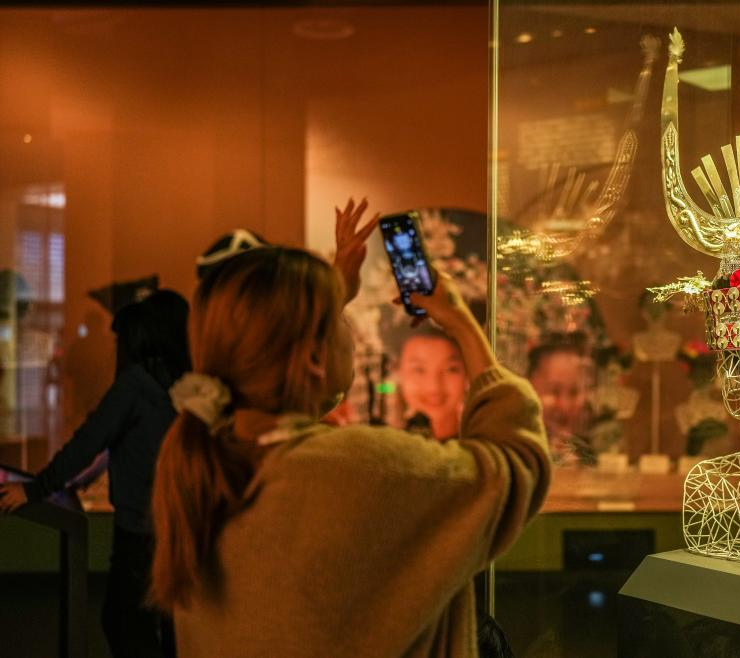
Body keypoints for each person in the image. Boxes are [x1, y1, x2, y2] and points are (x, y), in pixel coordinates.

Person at [148, 200, 550, 657]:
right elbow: (516, 464)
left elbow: (287, 396)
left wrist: (325, 297)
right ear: (313, 357)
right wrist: (460, 321)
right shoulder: (363, 471)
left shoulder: (212, 461)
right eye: (338, 320)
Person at [0, 289, 190, 658]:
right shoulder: (181, 384)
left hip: (139, 528)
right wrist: (97, 469)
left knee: (122, 621)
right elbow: (143, 439)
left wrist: (35, 489)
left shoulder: (136, 383)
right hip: (177, 524)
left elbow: (89, 440)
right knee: (172, 629)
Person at [526, 337, 594, 466]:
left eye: (574, 392)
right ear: (528, 389)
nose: (565, 406)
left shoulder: (589, 455)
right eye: (554, 391)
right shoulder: (517, 455)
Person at [396, 328, 468, 439]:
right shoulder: (388, 444)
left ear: (467, 373)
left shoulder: (483, 443)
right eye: (419, 370)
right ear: (399, 372)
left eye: (450, 369)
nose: (433, 387)